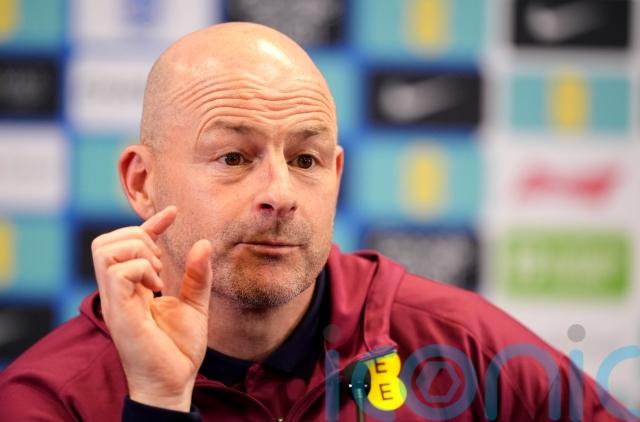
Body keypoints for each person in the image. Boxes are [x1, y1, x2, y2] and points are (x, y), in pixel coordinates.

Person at [0, 22, 635, 422]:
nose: (280, 194)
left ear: (335, 174)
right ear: (142, 181)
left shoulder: (459, 344)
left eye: (305, 160)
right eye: (233, 157)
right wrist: (159, 404)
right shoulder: (50, 398)